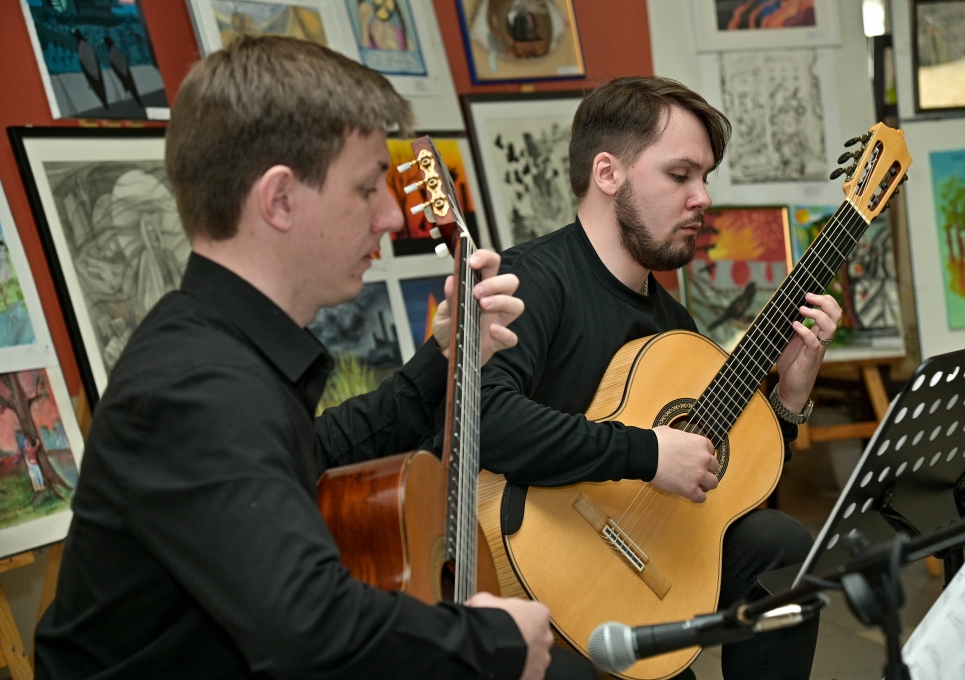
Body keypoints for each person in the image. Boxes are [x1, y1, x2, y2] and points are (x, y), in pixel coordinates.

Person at [35, 36, 596, 680]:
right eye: (367, 187)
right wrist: (489, 642)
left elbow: (319, 452)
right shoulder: (196, 385)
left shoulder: (218, 346)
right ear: (280, 200)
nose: (391, 216)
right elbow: (308, 627)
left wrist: (446, 355)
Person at [477, 77, 842, 680]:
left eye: (706, 178)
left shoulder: (674, 324)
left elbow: (724, 475)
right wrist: (646, 452)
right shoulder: (532, 283)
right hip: (532, 562)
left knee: (780, 549)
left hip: (639, 557)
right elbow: (483, 419)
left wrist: (789, 398)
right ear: (607, 174)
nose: (702, 198)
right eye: (680, 175)